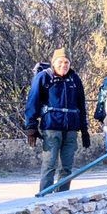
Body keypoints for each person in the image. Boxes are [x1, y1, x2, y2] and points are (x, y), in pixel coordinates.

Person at [25, 48, 90, 193]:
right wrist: (31, 126)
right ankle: (45, 196)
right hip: (51, 127)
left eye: (66, 62)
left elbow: (81, 105)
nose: (63, 65)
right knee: (49, 165)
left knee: (66, 167)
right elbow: (33, 102)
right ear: (53, 63)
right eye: (60, 62)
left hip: (71, 128)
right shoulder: (43, 77)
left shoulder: (75, 79)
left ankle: (62, 196)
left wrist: (84, 130)